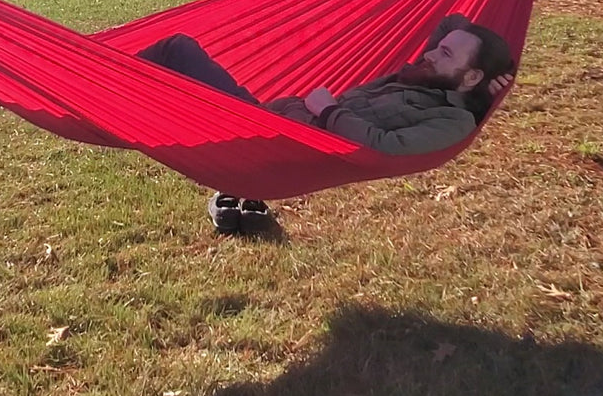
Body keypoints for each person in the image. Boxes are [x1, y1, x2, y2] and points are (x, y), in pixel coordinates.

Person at [136, 14, 516, 234]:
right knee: (178, 55)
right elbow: (451, 22)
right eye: (438, 47)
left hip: (269, 138)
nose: (431, 53)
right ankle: (100, 87)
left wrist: (329, 111)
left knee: (176, 50)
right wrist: (490, 80)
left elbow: (386, 147)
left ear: (469, 77)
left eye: (445, 52)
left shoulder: (452, 121)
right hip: (269, 119)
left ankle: (87, 87)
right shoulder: (425, 75)